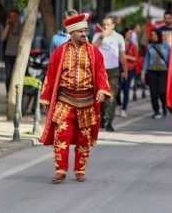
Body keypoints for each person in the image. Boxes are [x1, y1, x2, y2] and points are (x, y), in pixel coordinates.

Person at [39, 13, 111, 183]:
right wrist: (46, 99)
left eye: (85, 30)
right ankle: (61, 170)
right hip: (64, 100)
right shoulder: (59, 53)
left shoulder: (94, 53)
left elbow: (101, 72)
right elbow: (50, 76)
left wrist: (102, 90)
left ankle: (80, 170)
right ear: (71, 33)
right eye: (80, 31)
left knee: (83, 138)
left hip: (86, 102)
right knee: (61, 135)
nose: (84, 34)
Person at [91, 17, 127, 131]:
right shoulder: (98, 36)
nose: (105, 27)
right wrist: (102, 37)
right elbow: (92, 49)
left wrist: (125, 70)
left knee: (111, 97)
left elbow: (122, 55)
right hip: (100, 71)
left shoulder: (119, 37)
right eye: (104, 24)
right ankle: (101, 117)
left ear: (113, 26)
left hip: (114, 70)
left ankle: (109, 122)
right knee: (100, 96)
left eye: (108, 25)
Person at [142, 28, 170, 119]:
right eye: (152, 35)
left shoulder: (166, 46)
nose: (153, 37)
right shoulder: (150, 47)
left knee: (162, 91)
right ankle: (156, 111)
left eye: (155, 35)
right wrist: (143, 72)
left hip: (163, 71)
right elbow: (146, 60)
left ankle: (164, 106)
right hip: (152, 71)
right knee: (153, 92)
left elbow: (170, 60)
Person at [1, 9, 22, 92]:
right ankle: (8, 93)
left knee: (16, 76)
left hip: (18, 55)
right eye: (11, 16)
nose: (12, 18)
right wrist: (7, 26)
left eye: (14, 16)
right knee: (8, 76)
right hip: (8, 54)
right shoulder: (9, 27)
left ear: (18, 16)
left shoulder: (22, 27)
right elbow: (3, 38)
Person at [120, 28, 139, 118]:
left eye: (132, 33)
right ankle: (118, 104)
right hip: (120, 68)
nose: (131, 35)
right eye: (129, 33)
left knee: (126, 89)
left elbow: (136, 58)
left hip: (130, 69)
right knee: (118, 88)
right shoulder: (120, 44)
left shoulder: (133, 46)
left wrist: (125, 56)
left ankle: (124, 109)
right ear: (125, 33)